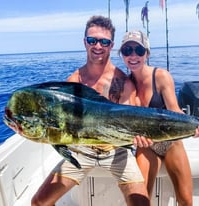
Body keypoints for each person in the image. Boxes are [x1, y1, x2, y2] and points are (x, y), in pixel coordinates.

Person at [31, 16, 151, 206]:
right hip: (81, 150)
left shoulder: (123, 83)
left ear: (111, 45)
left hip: (117, 151)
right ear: (84, 42)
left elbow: (132, 122)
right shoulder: (73, 82)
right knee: (39, 202)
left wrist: (141, 137)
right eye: (92, 40)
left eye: (104, 41)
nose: (98, 46)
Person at [119, 30, 199, 206]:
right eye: (127, 51)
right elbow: (127, 122)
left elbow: (175, 111)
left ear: (147, 53)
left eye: (138, 51)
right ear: (122, 55)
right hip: (146, 145)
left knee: (185, 201)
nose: (133, 56)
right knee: (140, 200)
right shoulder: (125, 84)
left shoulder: (160, 76)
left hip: (171, 142)